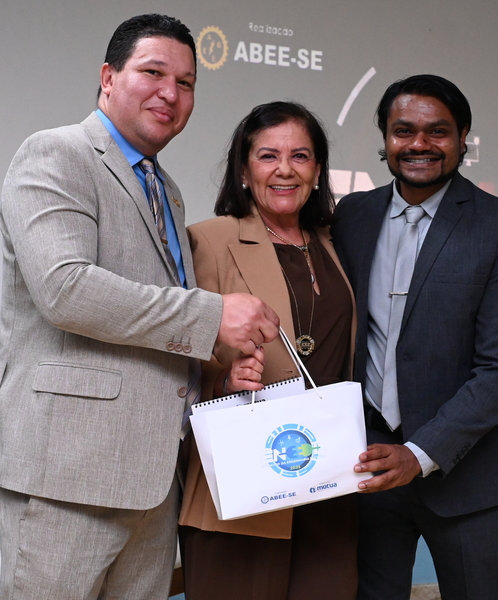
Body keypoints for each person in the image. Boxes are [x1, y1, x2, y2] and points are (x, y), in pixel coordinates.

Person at [0, 14, 279, 600]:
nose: (171, 93)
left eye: (186, 82)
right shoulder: (56, 153)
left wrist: (218, 364)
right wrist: (214, 315)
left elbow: (153, 325)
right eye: (153, 72)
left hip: (154, 476)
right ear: (109, 77)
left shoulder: (167, 190)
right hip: (67, 473)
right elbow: (66, 289)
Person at [331, 74, 498, 599]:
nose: (419, 144)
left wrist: (419, 453)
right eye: (404, 130)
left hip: (468, 475)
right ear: (385, 137)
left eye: (438, 131)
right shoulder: (351, 215)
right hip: (368, 465)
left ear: (463, 137)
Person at [178, 101, 358, 600]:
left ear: (317, 171)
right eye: (267, 156)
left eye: (300, 156)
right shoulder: (210, 240)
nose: (285, 169)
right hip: (247, 481)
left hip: (330, 481)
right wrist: (224, 379)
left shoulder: (337, 241)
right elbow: (179, 350)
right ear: (243, 170)